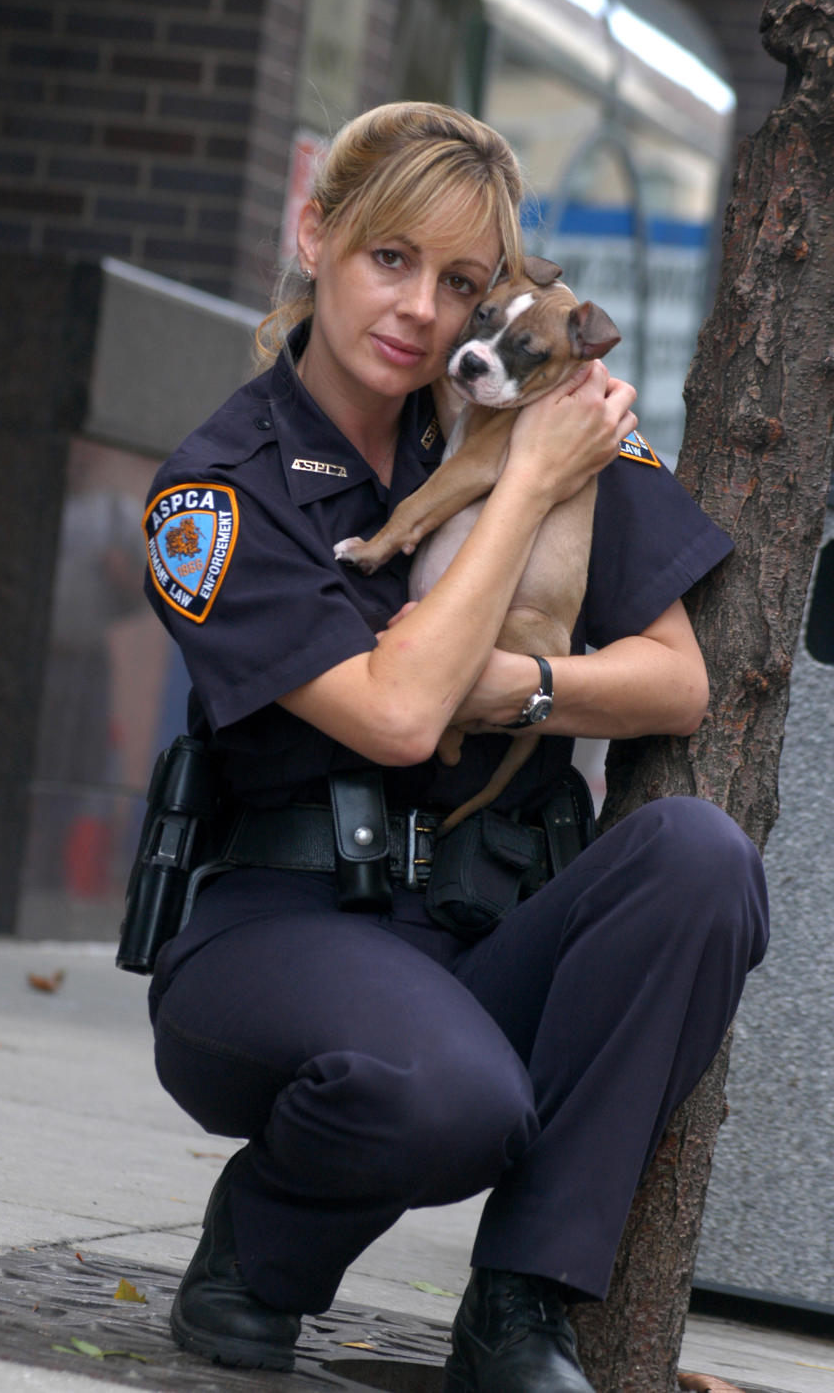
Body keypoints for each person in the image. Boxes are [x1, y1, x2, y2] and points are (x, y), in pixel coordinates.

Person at [140, 102, 768, 1393]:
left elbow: (679, 680)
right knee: (453, 1096)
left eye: (464, 281)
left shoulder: (542, 388)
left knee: (700, 862)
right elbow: (398, 714)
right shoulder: (215, 491)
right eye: (391, 259)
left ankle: (520, 1310)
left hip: (487, 927)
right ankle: (254, 1251)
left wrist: (531, 686)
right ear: (316, 233)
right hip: (285, 928)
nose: (424, 311)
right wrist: (525, 484)